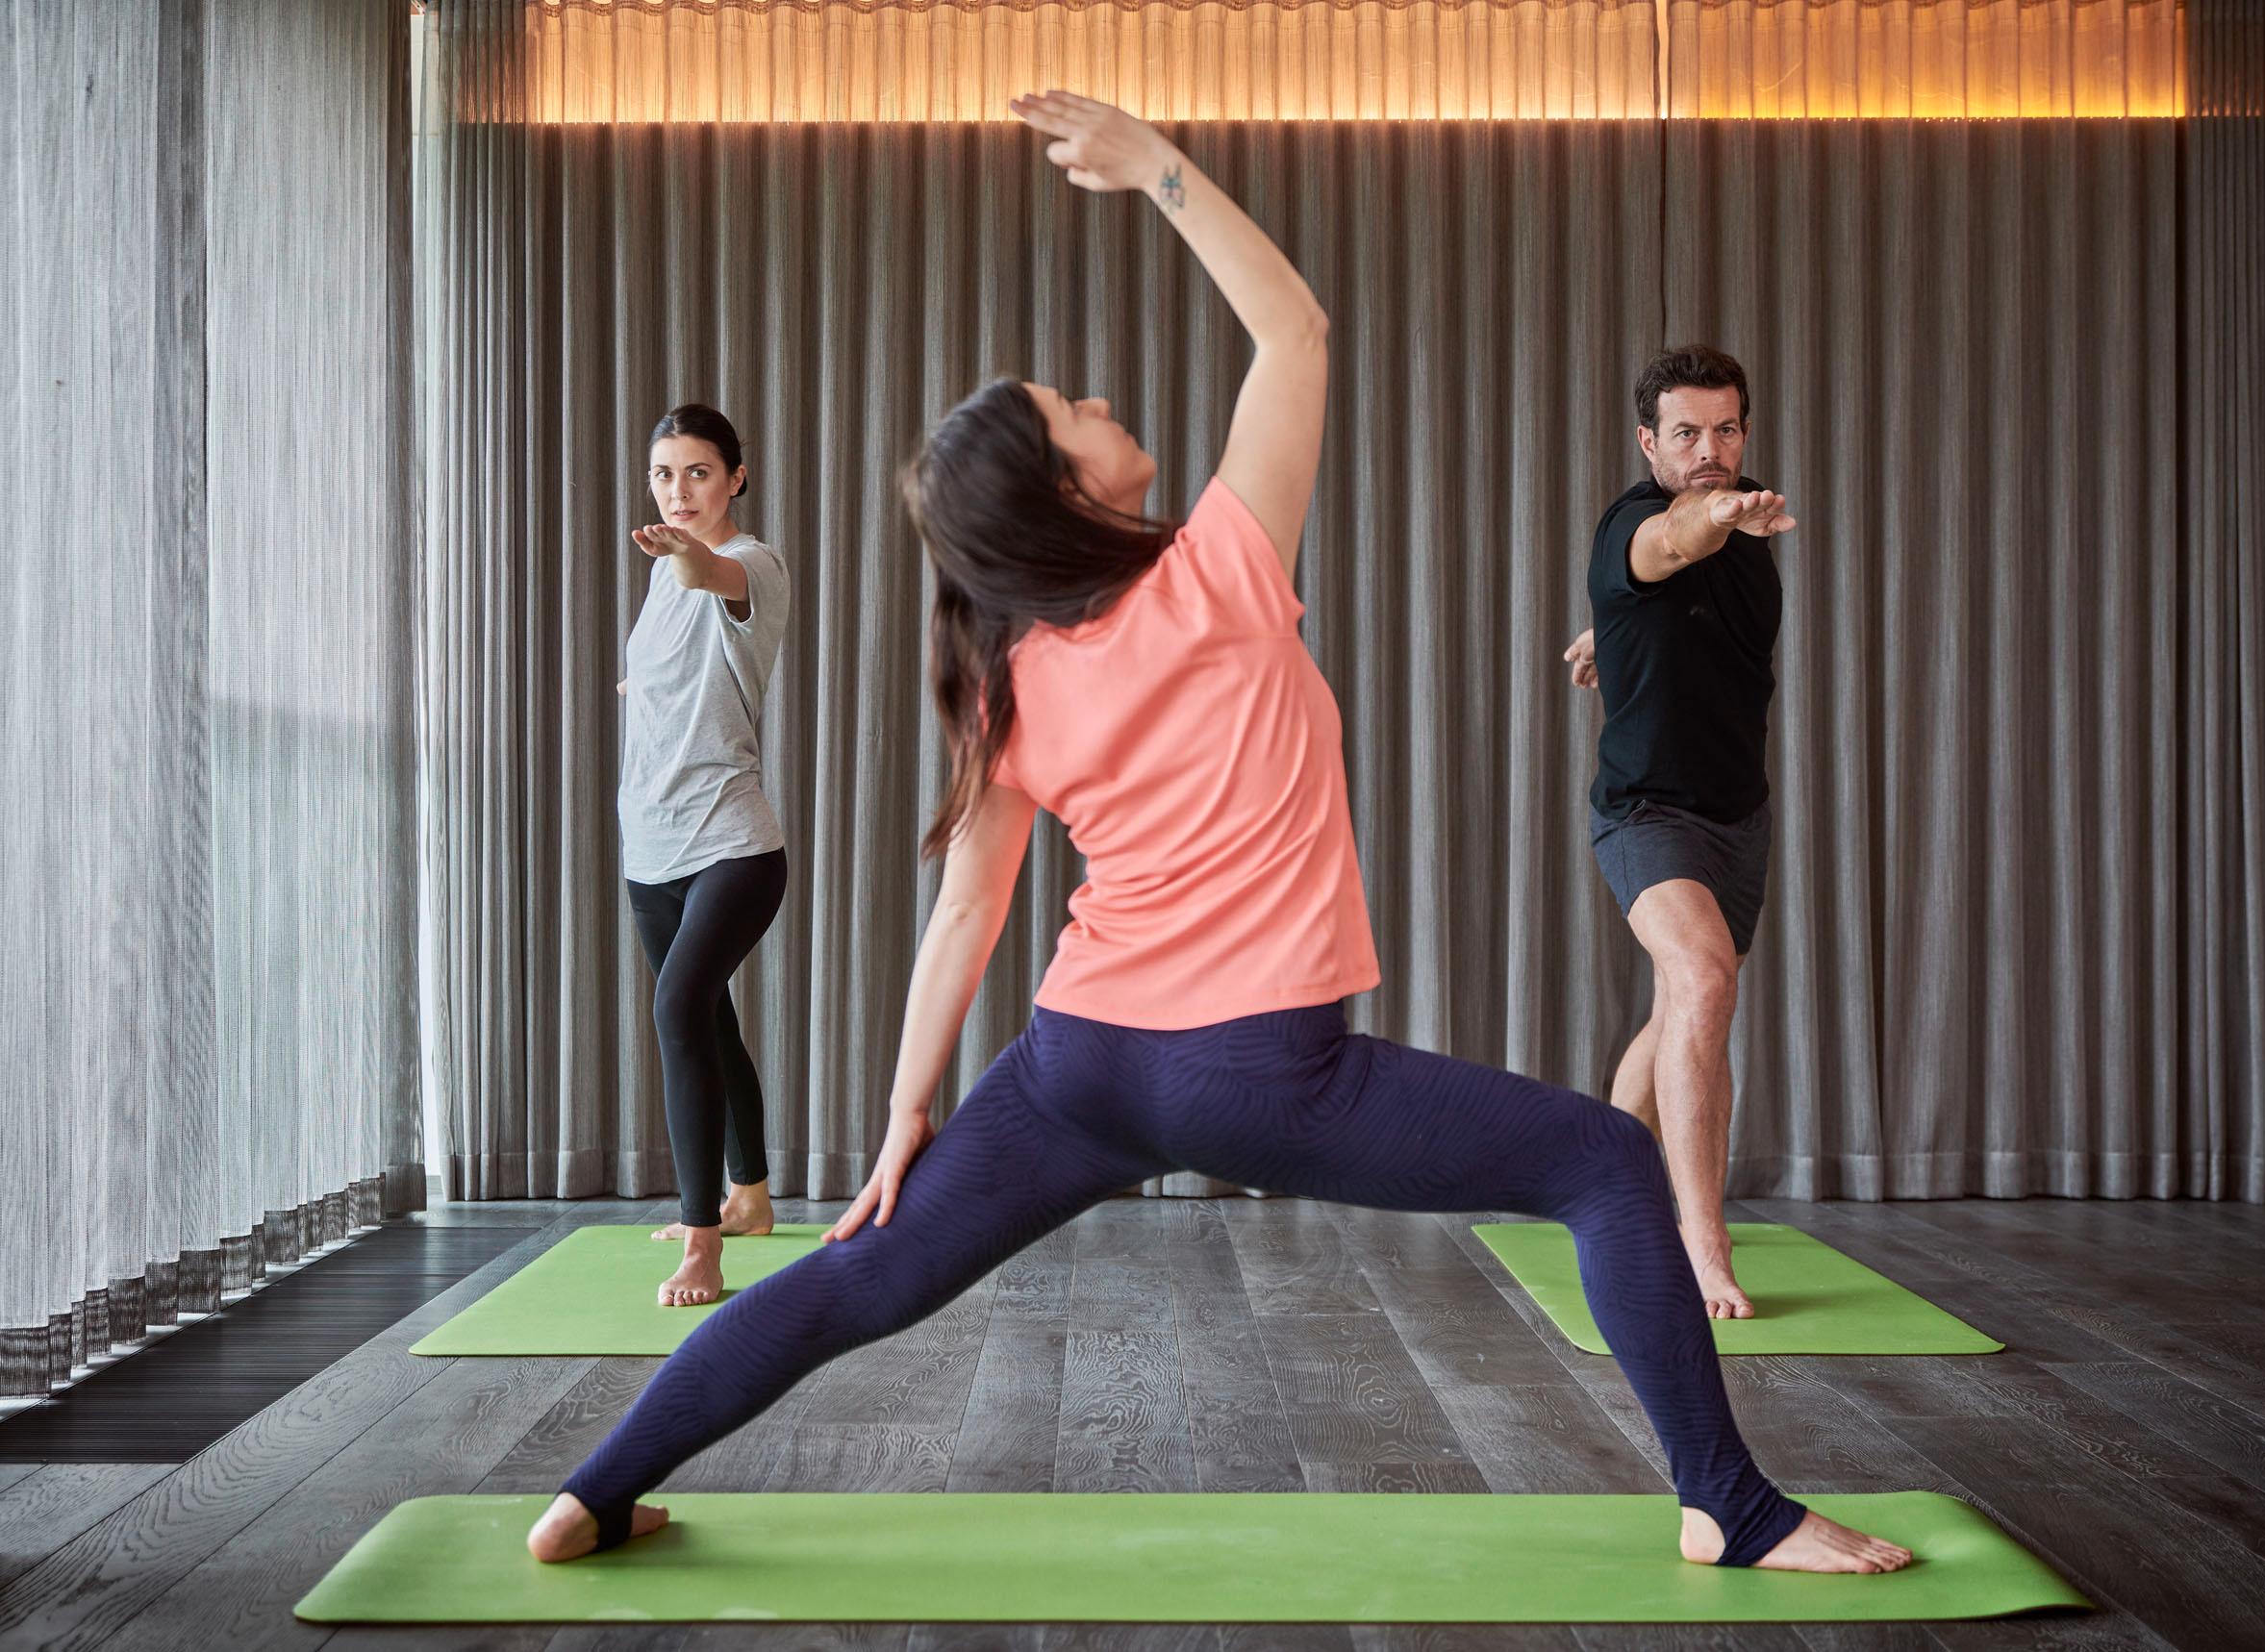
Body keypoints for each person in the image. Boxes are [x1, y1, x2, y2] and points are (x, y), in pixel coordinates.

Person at [528, 94, 1907, 1579]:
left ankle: (593, 1489)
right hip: (1260, 1072)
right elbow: (1295, 331)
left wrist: (908, 1112)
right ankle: (1735, 1506)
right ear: (1065, 487)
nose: (1100, 399)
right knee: (1604, 1167)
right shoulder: (1221, 568)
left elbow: (970, 913)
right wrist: (1157, 171)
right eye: (1072, 408)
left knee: (867, 1274)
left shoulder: (1010, 673)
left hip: (1075, 1066)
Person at [1560, 347, 1793, 1320]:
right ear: (1649, 440)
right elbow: (1667, 545)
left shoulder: (1749, 542)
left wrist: (1602, 639)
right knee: (1701, 979)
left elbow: (1664, 611)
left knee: (1676, 1017)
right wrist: (1712, 514)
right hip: (1643, 811)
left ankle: (1599, 1199)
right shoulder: (1639, 523)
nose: (1709, 452)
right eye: (1686, 434)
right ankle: (1700, 1242)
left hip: (1738, 816)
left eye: (1726, 430)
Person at [617, 403, 793, 1307]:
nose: (678, 490)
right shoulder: (658, 587)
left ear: (735, 476)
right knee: (710, 1018)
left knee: (679, 1007)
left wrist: (681, 553)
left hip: (732, 844)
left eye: (695, 472)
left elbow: (710, 571)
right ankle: (750, 1197)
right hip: (650, 844)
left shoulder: (751, 564)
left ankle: (702, 1241)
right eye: (662, 474)